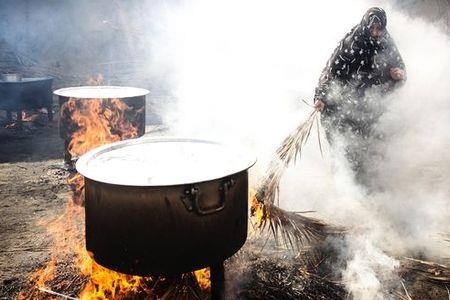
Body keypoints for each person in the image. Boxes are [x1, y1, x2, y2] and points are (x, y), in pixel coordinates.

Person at [313, 7, 406, 188]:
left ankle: (365, 188)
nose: (376, 33)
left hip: (367, 106)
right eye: (373, 28)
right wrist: (321, 96)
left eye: (379, 29)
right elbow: (330, 73)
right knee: (344, 148)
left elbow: (399, 66)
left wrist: (399, 74)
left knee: (367, 147)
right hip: (342, 105)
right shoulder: (351, 42)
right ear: (366, 25)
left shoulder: (386, 41)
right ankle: (344, 189)